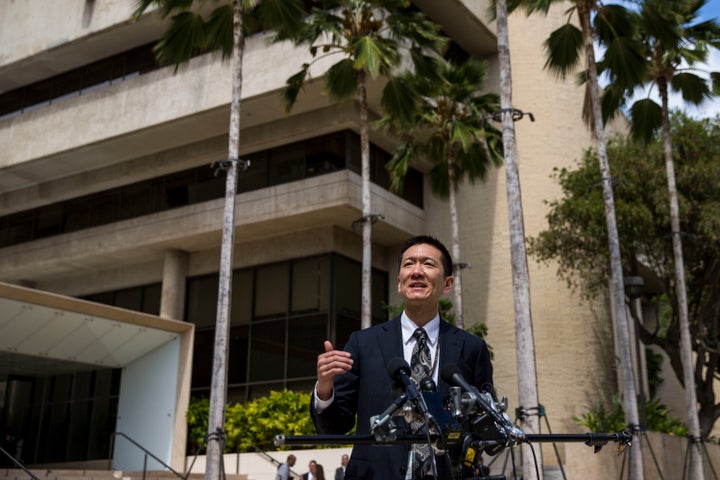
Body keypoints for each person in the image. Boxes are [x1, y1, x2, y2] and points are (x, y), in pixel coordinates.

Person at [312, 235, 494, 480]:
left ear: (447, 284)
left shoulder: (472, 348)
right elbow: (333, 427)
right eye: (408, 264)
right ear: (399, 282)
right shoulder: (363, 343)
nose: (416, 271)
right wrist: (324, 388)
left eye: (428, 264)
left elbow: (484, 425)